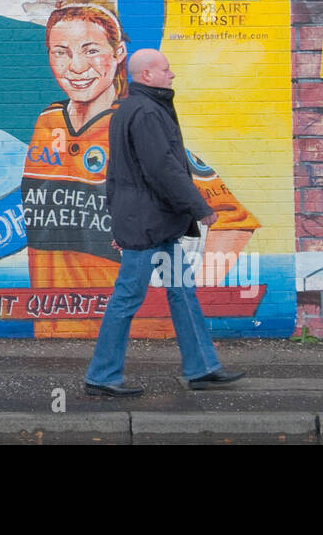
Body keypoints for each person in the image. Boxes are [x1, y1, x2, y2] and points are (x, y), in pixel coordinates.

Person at [22, 0, 258, 338]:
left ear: (118, 53)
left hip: (141, 329)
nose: (75, 66)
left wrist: (193, 289)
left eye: (91, 50)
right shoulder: (46, 122)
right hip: (53, 330)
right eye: (60, 51)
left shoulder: (133, 119)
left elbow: (232, 222)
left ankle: (188, 356)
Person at [84, 48, 244, 396]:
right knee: (127, 299)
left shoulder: (133, 109)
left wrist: (118, 220)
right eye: (166, 70)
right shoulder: (146, 113)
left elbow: (116, 174)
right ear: (148, 76)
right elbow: (164, 170)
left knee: (182, 294)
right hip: (147, 230)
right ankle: (101, 376)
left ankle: (201, 368)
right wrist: (201, 208)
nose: (172, 75)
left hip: (154, 227)